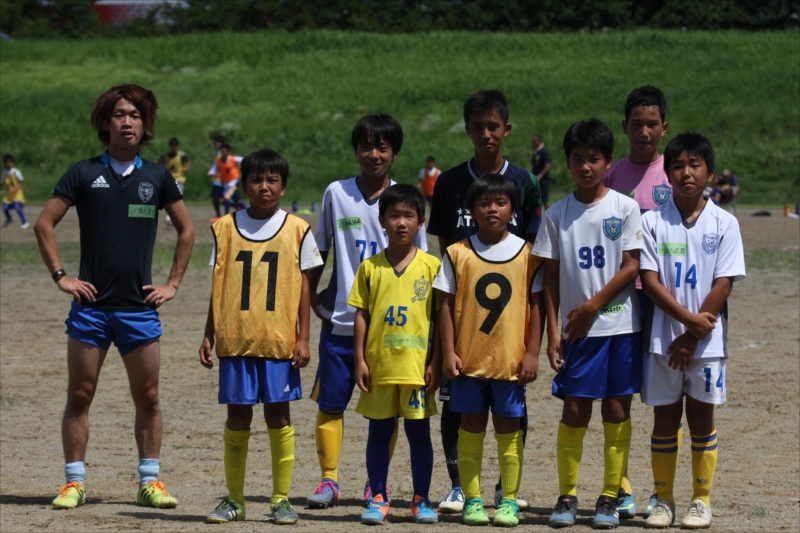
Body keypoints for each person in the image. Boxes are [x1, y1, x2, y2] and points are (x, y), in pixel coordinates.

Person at [34, 84, 195, 510]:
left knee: (149, 398)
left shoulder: (158, 177)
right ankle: (73, 483)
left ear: (145, 125)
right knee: (80, 395)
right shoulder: (83, 173)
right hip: (91, 309)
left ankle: (149, 482)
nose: (128, 122)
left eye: (136, 115)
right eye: (120, 114)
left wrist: (172, 284)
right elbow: (44, 224)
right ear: (105, 123)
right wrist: (61, 276)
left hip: (139, 309)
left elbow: (187, 230)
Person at [427, 89, 541, 513]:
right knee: (457, 404)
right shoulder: (449, 182)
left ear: (506, 129)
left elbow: (532, 252)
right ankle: (460, 486)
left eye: (493, 126)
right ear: (467, 129)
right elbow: (444, 244)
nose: (486, 134)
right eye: (478, 127)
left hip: (508, 322)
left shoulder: (526, 183)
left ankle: (504, 491)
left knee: (511, 409)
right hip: (463, 314)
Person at [306, 114, 428, 508]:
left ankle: (376, 484)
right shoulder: (336, 193)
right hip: (342, 323)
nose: (374, 155)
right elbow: (320, 250)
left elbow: (422, 266)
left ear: (395, 153)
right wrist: (310, 300)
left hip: (389, 332)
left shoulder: (404, 201)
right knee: (330, 402)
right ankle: (329, 480)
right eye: (366, 146)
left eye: (382, 148)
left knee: (386, 413)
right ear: (355, 149)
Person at [199, 149, 323, 525]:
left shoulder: (297, 229)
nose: (264, 187)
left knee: (279, 417)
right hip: (236, 338)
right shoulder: (224, 227)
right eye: (256, 180)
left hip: (278, 341)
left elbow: (305, 287)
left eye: (272, 180)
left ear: (283, 187)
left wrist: (303, 337)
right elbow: (217, 286)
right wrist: (208, 333)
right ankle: (235, 500)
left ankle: (281, 499)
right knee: (237, 417)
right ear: (243, 185)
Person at [533, 118, 644, 529]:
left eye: (593, 158)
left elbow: (631, 266)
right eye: (578, 158)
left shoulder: (625, 208)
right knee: (575, 409)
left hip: (621, 327)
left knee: (616, 408)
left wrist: (592, 306)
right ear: (566, 162)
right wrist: (553, 332)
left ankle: (610, 497)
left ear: (608, 162)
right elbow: (549, 279)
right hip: (577, 333)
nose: (585, 166)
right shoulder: (556, 214)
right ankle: (567, 496)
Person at [639, 133, 745, 529]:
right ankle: (663, 499)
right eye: (678, 166)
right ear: (667, 174)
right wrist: (687, 323)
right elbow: (650, 282)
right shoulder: (652, 222)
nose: (687, 173)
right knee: (665, 418)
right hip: (662, 341)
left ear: (710, 173)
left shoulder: (725, 222)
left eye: (695, 165)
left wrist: (693, 332)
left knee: (702, 418)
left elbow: (724, 283)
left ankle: (701, 500)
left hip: (707, 343)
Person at [349, 184, 442, 525]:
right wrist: (360, 359)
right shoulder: (369, 268)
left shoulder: (432, 266)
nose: (401, 223)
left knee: (419, 435)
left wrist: (436, 362)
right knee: (378, 434)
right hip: (380, 367)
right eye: (394, 216)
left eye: (409, 216)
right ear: (381, 220)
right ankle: (378, 497)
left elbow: (441, 319)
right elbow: (361, 315)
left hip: (417, 369)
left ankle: (421, 499)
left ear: (421, 221)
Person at [602, 85, 671, 518]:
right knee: (620, 395)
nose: (644, 131)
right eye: (637, 124)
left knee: (664, 397)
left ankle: (662, 488)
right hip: (624, 298)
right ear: (624, 127)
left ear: (664, 128)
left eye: (652, 124)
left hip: (664, 299)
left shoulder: (675, 173)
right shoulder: (611, 176)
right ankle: (621, 486)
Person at [157, 137, 192, 228]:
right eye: (171, 145)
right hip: (168, 180)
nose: (173, 147)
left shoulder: (181, 155)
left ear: (177, 146)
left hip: (179, 179)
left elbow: (189, 161)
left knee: (177, 199)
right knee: (168, 199)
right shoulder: (165, 156)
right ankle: (170, 217)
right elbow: (158, 162)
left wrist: (186, 168)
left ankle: (177, 219)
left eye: (174, 145)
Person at [212, 143, 247, 215]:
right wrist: (214, 174)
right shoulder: (218, 161)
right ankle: (248, 211)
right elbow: (211, 172)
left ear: (228, 152)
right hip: (225, 183)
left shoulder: (233, 159)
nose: (222, 153)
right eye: (221, 152)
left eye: (224, 151)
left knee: (225, 197)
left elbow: (246, 161)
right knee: (237, 200)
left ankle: (226, 215)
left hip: (234, 182)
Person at [3, 154, 29, 228]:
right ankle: (9, 219)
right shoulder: (4, 173)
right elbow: (2, 183)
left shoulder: (16, 171)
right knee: (4, 208)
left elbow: (20, 181)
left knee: (18, 207)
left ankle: (25, 222)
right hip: (8, 195)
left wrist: (16, 188)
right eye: (7, 162)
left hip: (16, 195)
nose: (9, 164)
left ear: (13, 163)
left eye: (10, 162)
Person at [532, 134, 552, 209]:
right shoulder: (536, 152)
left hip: (543, 180)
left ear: (539, 141)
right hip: (536, 180)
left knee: (544, 199)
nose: (532, 143)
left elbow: (547, 165)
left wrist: (540, 176)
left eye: (534, 141)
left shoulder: (544, 152)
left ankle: (551, 215)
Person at [208, 134, 225, 219]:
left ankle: (238, 206)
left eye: (217, 143)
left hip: (221, 179)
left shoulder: (223, 154)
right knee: (216, 198)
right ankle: (218, 215)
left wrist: (219, 174)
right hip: (216, 179)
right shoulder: (216, 154)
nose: (215, 144)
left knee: (218, 198)